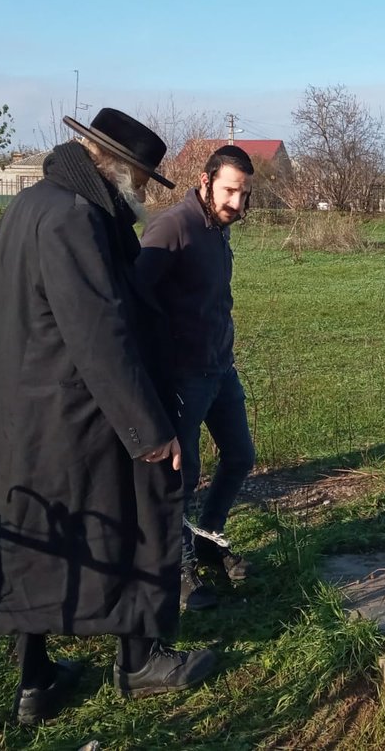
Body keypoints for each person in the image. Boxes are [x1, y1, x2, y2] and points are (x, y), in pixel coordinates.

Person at [0, 108, 215, 726]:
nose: (140, 191)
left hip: (25, 410)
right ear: (121, 168)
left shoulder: (36, 204)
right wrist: (150, 432)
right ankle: (141, 661)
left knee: (42, 532)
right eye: (140, 175)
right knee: (140, 509)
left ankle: (36, 682)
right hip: (78, 407)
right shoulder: (74, 218)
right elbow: (100, 332)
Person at [137, 144, 256, 610]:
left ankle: (208, 537)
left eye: (244, 194)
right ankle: (180, 570)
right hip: (183, 376)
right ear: (205, 181)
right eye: (229, 191)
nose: (237, 204)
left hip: (220, 369)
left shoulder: (216, 228)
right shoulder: (172, 227)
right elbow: (135, 300)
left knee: (240, 456)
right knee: (180, 479)